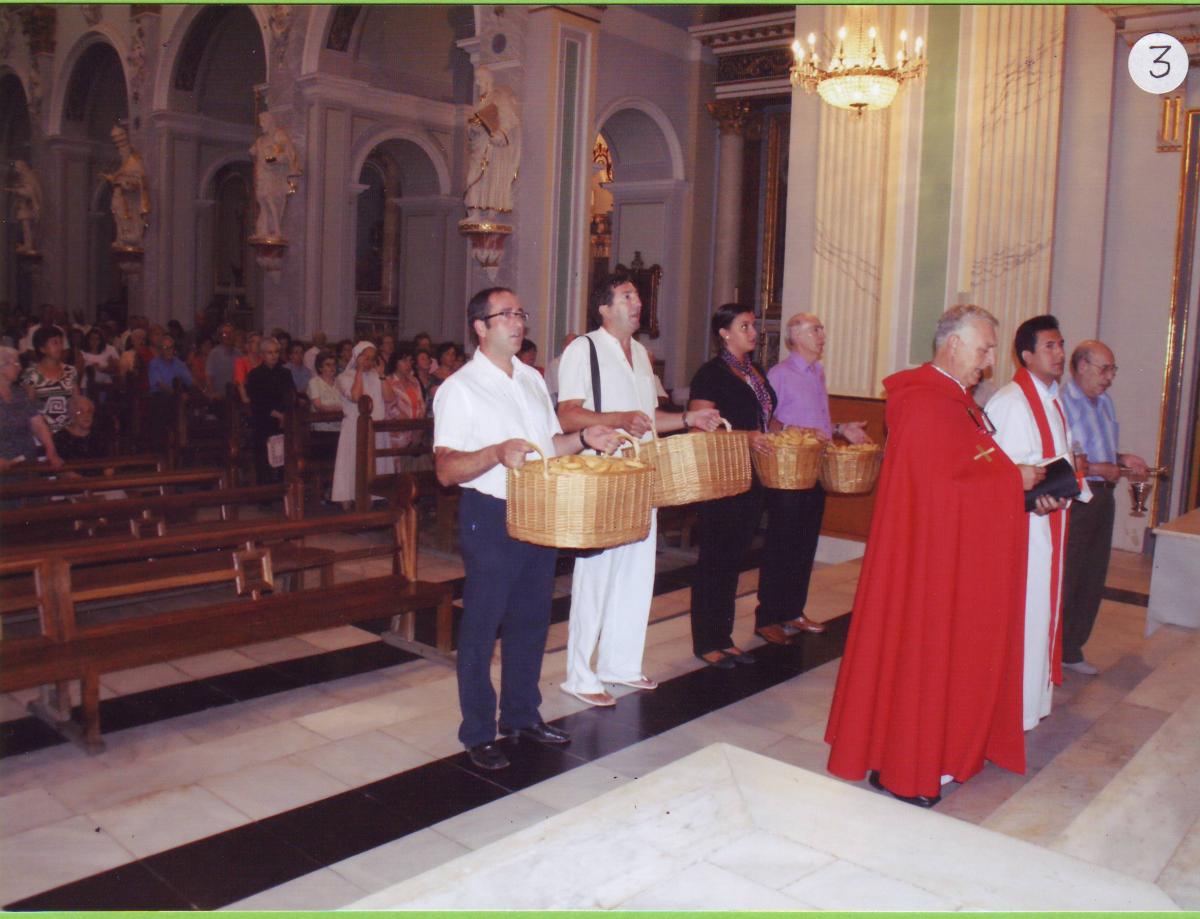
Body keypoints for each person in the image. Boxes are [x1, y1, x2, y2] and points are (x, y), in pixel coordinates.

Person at [825, 305, 1040, 807]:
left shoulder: (955, 399)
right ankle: (908, 766)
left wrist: (1020, 481)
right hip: (928, 562)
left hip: (955, 554)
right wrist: (1014, 481)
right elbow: (942, 490)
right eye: (985, 349)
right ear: (955, 344)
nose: (989, 361)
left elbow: (969, 470)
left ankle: (934, 754)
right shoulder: (924, 401)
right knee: (921, 653)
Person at [433, 287, 621, 771]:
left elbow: (547, 445)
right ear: (480, 326)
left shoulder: (533, 380)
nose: (518, 322)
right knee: (482, 626)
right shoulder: (459, 389)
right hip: (491, 513)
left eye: (521, 313)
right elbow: (446, 469)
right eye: (506, 315)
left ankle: (521, 715)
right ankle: (478, 731)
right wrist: (496, 452)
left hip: (539, 511)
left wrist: (583, 438)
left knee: (531, 622)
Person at [556, 271, 721, 705]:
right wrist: (616, 419)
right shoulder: (583, 348)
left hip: (641, 474)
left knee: (636, 572)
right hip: (603, 475)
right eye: (626, 296)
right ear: (604, 307)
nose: (637, 303)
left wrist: (688, 420)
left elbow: (647, 420)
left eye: (637, 296)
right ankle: (579, 673)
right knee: (596, 574)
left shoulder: (643, 355)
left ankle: (620, 664)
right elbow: (568, 416)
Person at [758, 313, 870, 644]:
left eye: (822, 328)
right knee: (781, 544)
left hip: (815, 468)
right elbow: (766, 419)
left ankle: (793, 610)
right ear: (796, 338)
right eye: (815, 330)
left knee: (805, 543)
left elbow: (817, 423)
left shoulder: (817, 372)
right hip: (788, 472)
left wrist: (840, 429)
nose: (823, 334)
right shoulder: (780, 374)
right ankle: (768, 617)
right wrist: (793, 431)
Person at [986, 315, 1073, 730]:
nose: (1059, 354)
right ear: (1026, 355)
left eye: (1060, 345)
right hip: (1025, 529)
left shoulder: (1051, 399)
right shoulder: (1011, 401)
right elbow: (999, 472)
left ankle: (1032, 702)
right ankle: (1014, 709)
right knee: (1028, 616)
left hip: (1048, 525)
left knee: (1042, 616)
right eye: (1050, 347)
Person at [687, 305, 777, 669]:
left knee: (733, 559)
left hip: (751, 474)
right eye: (744, 326)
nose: (752, 332)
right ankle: (706, 641)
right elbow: (699, 429)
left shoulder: (753, 371)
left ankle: (723, 636)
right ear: (724, 333)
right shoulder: (711, 374)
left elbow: (765, 420)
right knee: (714, 559)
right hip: (721, 474)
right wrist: (746, 437)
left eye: (753, 325)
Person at [1059, 341, 1149, 675]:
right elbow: (1064, 458)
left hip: (1104, 497)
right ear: (1082, 366)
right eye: (1104, 369)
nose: (1110, 377)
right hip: (1077, 498)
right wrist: (1097, 469)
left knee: (1093, 574)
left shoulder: (1105, 403)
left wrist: (1123, 458)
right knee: (1069, 574)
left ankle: (1073, 648)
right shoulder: (1062, 405)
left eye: (1113, 369)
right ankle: (1052, 650)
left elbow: (1101, 449)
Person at [330, 341, 395, 508]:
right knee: (351, 465)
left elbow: (390, 398)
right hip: (354, 429)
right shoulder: (343, 377)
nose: (369, 362)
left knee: (377, 466)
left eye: (372, 358)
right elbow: (356, 396)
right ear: (356, 357)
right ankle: (348, 504)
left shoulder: (377, 375)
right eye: (365, 358)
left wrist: (382, 375)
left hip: (376, 428)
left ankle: (376, 500)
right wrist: (359, 370)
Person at [464, 67, 520, 216]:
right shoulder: (477, 105)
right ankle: (474, 214)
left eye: (479, 79)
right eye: (476, 80)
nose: (477, 83)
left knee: (491, 180)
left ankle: (490, 214)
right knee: (472, 178)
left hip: (493, 147)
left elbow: (510, 119)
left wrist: (501, 133)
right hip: (479, 147)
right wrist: (473, 128)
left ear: (488, 80)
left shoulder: (498, 97)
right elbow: (471, 129)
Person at [0, 345, 62, 470]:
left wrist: (50, 449)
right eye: (16, 363)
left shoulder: (19, 393)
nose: (20, 367)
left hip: (26, 460)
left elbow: (38, 424)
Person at [244, 337, 294, 485]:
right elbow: (258, 401)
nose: (274, 356)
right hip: (265, 421)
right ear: (262, 354)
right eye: (269, 352)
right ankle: (265, 493)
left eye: (276, 352)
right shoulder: (255, 375)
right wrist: (277, 415)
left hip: (284, 421)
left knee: (286, 455)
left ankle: (284, 487)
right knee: (264, 458)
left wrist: (285, 414)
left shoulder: (285, 373)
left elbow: (291, 395)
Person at [249, 111, 301, 240]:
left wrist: (272, 160)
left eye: (263, 122)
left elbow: (287, 154)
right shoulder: (261, 140)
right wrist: (254, 151)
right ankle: (265, 229)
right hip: (262, 174)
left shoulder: (278, 135)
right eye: (260, 123)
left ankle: (277, 230)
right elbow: (253, 152)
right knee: (262, 200)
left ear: (270, 122)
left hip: (274, 175)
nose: (261, 126)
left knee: (270, 199)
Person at [20, 326, 78, 434]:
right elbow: (29, 408)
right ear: (42, 348)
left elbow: (77, 401)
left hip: (68, 431)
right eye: (54, 343)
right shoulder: (31, 374)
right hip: (43, 432)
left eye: (61, 342)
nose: (60, 347)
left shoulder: (70, 371)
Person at [103, 125, 150, 250]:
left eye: (121, 138)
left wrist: (125, 184)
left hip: (131, 201)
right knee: (119, 216)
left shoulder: (134, 161)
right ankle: (122, 237)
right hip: (120, 198)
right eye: (116, 141)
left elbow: (139, 183)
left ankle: (131, 237)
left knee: (127, 217)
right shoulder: (123, 165)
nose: (120, 149)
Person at [385, 349, 426, 472]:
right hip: (397, 432)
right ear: (395, 362)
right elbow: (390, 407)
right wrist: (409, 424)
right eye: (404, 360)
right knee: (396, 471)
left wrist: (418, 429)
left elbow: (421, 404)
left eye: (410, 361)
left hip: (415, 432)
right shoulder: (388, 381)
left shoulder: (414, 381)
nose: (408, 364)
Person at [53, 394, 102, 461]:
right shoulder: (60, 438)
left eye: (89, 411)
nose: (86, 415)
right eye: (80, 412)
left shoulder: (98, 436)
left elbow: (108, 466)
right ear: (71, 415)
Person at [8, 160, 42, 254]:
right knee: (24, 226)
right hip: (24, 206)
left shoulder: (29, 177)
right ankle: (27, 244)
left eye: (17, 167)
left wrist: (16, 191)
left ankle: (29, 244)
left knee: (27, 226)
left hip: (29, 207)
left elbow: (30, 192)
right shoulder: (23, 178)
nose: (16, 170)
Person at [206, 323, 237, 399]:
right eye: (225, 334)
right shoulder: (214, 354)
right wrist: (212, 393)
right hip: (219, 396)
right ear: (220, 337)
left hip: (235, 395)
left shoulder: (239, 353)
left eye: (230, 333)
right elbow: (209, 376)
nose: (228, 336)